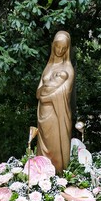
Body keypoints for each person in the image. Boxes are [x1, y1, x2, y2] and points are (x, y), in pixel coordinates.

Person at [36, 31, 74, 173]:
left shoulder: (68, 68)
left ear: (67, 49)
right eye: (57, 46)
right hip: (43, 113)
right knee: (43, 146)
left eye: (63, 48)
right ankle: (41, 173)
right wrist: (44, 92)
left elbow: (65, 93)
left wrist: (46, 96)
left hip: (57, 114)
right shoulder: (48, 66)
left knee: (55, 145)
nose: (59, 50)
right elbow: (38, 92)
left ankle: (58, 174)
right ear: (53, 46)